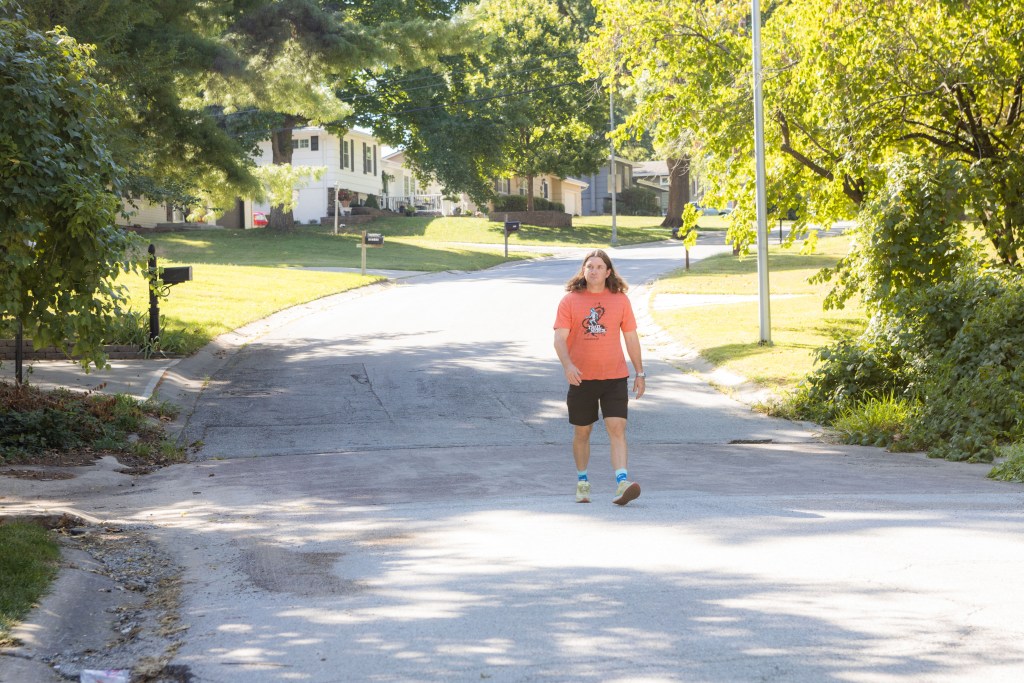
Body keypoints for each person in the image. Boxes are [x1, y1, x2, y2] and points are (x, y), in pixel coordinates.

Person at [553, 249, 645, 506]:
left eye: (598, 266)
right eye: (589, 266)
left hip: (614, 376)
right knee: (582, 432)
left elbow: (630, 337)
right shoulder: (570, 301)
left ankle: (622, 482)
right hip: (581, 379)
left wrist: (640, 372)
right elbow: (559, 338)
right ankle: (583, 482)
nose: (593, 270)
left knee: (617, 428)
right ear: (583, 271)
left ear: (608, 272)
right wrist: (568, 365)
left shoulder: (620, 300)